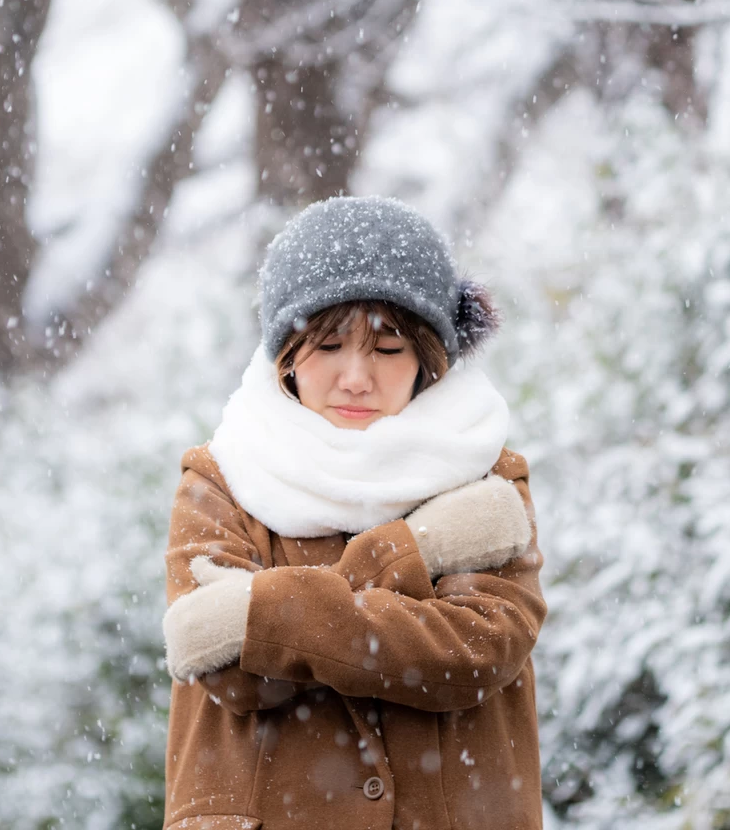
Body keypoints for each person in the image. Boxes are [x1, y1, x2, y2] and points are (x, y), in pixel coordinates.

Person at [161, 196, 545, 830]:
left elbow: (477, 651)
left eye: (389, 348)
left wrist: (265, 613)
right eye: (329, 344)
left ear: (429, 358)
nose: (356, 377)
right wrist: (417, 553)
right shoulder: (221, 477)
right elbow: (226, 667)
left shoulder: (487, 472)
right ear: (286, 351)